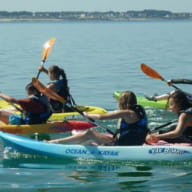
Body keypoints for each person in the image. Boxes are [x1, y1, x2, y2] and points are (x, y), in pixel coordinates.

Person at [47, 91, 149, 146]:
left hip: (123, 146)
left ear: (123, 102)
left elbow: (101, 117)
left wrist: (87, 115)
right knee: (89, 139)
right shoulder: (139, 111)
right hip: (135, 142)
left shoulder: (126, 113)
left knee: (89, 133)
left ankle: (55, 143)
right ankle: (70, 146)